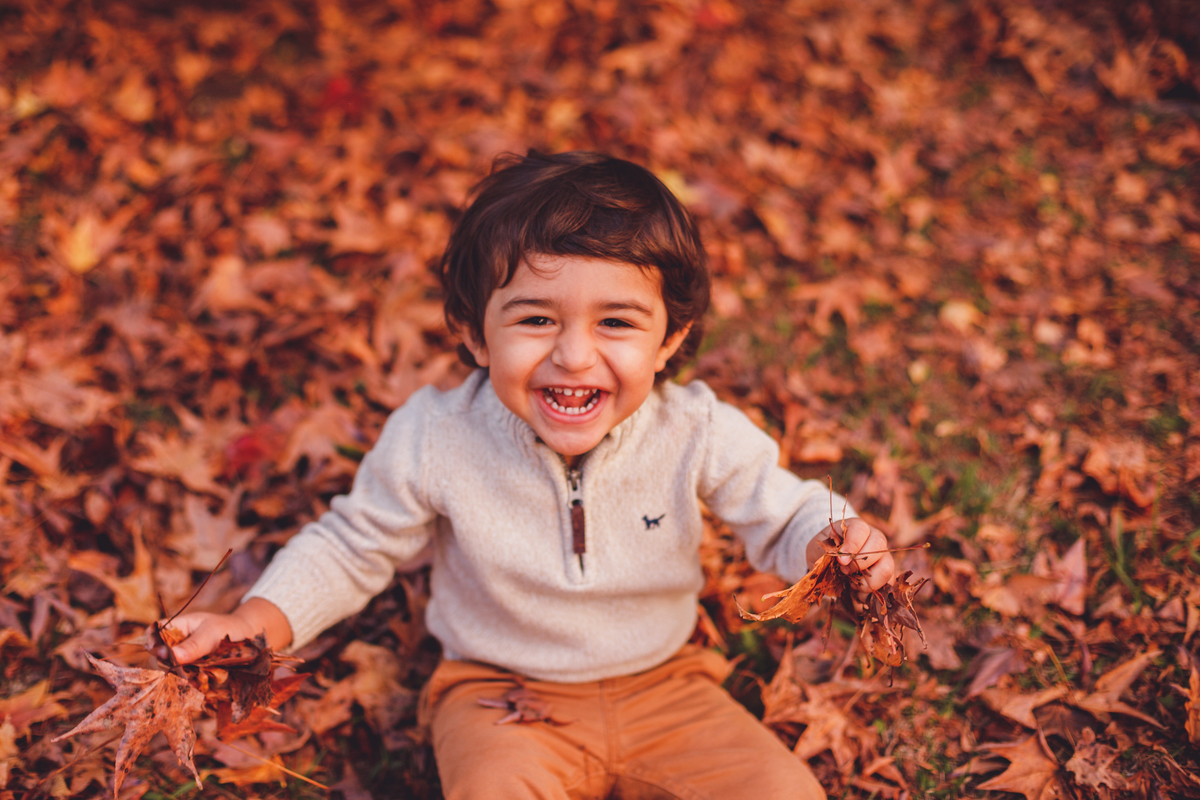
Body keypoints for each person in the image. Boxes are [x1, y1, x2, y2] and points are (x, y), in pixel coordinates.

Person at [165, 151, 896, 799]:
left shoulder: (694, 431)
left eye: (616, 322)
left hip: (667, 688)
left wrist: (833, 540)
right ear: (475, 333)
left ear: (668, 340)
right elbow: (351, 546)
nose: (574, 355)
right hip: (496, 696)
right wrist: (251, 623)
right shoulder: (437, 437)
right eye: (536, 320)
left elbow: (782, 510)